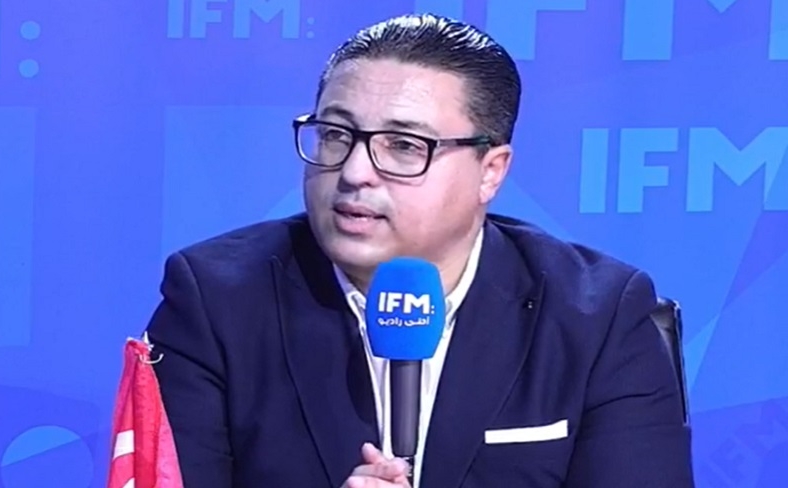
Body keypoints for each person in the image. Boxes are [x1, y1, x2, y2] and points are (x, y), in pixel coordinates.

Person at [145, 13, 695, 488]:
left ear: (491, 171)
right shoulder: (216, 302)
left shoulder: (596, 317)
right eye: (335, 134)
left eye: (404, 146)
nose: (354, 172)